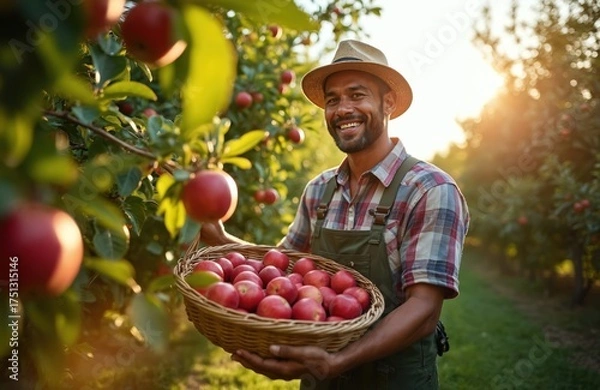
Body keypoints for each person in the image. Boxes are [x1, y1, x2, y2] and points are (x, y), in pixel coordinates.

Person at [199, 39, 470, 389]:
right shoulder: (320, 190)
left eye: (357, 95)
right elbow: (283, 265)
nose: (343, 109)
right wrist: (220, 239)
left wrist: (338, 361)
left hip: (392, 380)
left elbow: (423, 312)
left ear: (388, 103)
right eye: (333, 100)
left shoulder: (429, 190)